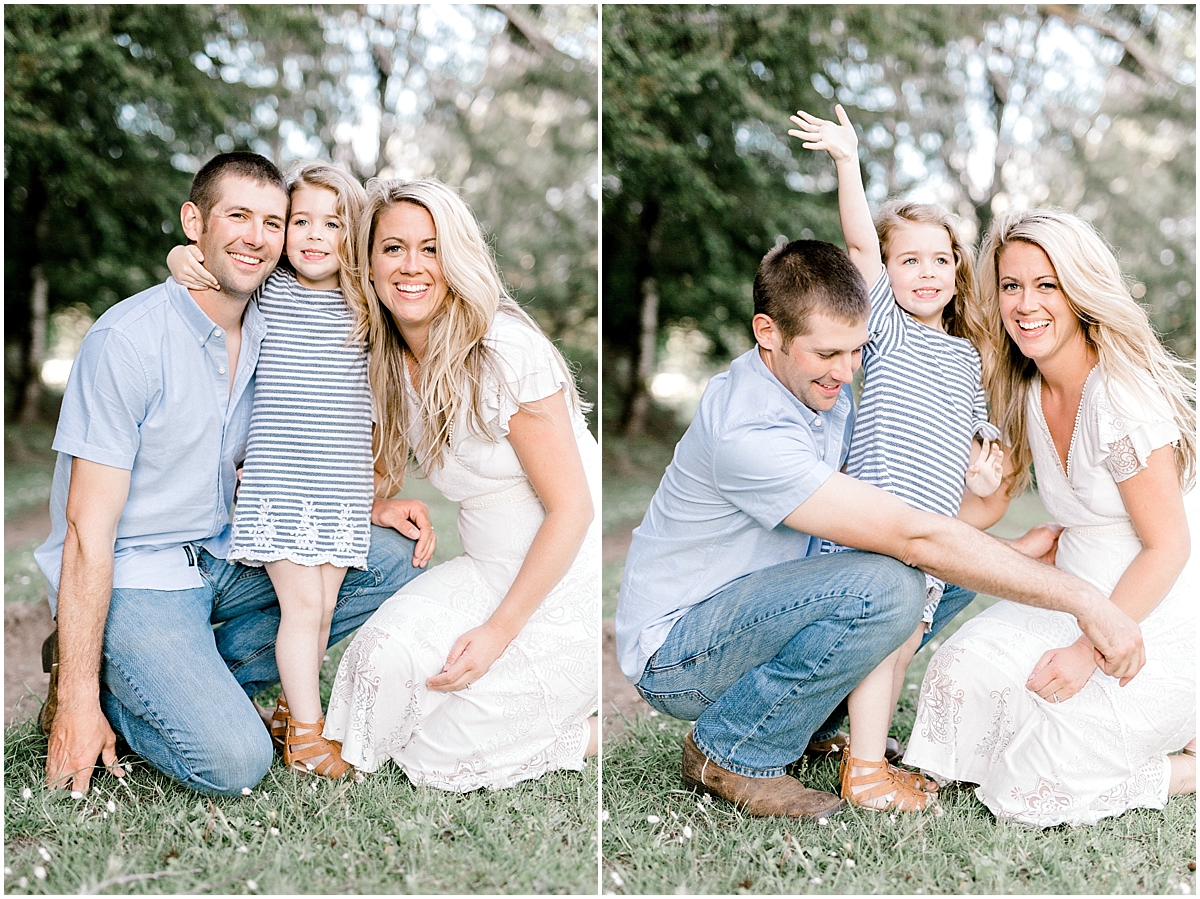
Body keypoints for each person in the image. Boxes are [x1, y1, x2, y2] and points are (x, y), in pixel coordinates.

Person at [614, 236, 1146, 820]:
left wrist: (1006, 547)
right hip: (682, 651)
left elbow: (911, 524)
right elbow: (908, 535)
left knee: (950, 574)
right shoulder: (749, 432)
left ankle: (803, 722)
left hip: (756, 612)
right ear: (767, 332)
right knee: (892, 585)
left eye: (855, 352)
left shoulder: (815, 387)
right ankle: (734, 749)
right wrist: (1086, 602)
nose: (845, 373)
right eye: (827, 355)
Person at [34, 152, 433, 797]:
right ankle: (102, 678)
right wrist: (80, 701)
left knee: (393, 560)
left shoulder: (264, 325)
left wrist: (371, 504)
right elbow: (85, 530)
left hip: (224, 551)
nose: (258, 236)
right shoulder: (129, 341)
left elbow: (302, 439)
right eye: (238, 217)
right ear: (194, 222)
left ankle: (181, 678)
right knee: (235, 762)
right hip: (141, 572)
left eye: (272, 222)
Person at [904, 208, 1196, 827]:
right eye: (1012, 286)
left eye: (1047, 285)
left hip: (1152, 612)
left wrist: (1089, 651)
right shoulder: (1027, 389)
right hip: (1074, 591)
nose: (1025, 304)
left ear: (1081, 292)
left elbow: (1168, 547)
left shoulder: (1120, 397)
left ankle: (1185, 765)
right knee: (962, 674)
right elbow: (991, 504)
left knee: (1033, 784)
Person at [317, 178, 599, 791]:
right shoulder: (386, 358)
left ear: (457, 258)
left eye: (430, 248)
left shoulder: (504, 350)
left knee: (439, 758)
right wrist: (380, 503)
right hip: (484, 566)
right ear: (368, 261)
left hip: (558, 578)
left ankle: (577, 727)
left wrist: (497, 634)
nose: (411, 267)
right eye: (393, 248)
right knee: (376, 664)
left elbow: (572, 511)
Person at [788, 105, 1004, 812]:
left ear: (957, 270)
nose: (925, 271)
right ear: (888, 271)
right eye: (908, 259)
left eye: (939, 259)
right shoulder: (883, 326)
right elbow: (857, 245)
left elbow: (977, 438)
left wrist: (984, 466)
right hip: (875, 515)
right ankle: (869, 771)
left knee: (901, 641)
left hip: (929, 532)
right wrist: (848, 162)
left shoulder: (966, 356)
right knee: (879, 640)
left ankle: (851, 743)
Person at [167, 163, 390, 779]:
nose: (315, 236)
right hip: (282, 482)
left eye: (333, 224)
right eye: (301, 222)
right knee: (300, 609)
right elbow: (208, 268)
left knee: (322, 609)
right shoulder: (271, 290)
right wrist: (177, 258)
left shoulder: (366, 304)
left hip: (340, 486)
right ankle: (310, 740)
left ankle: (292, 716)